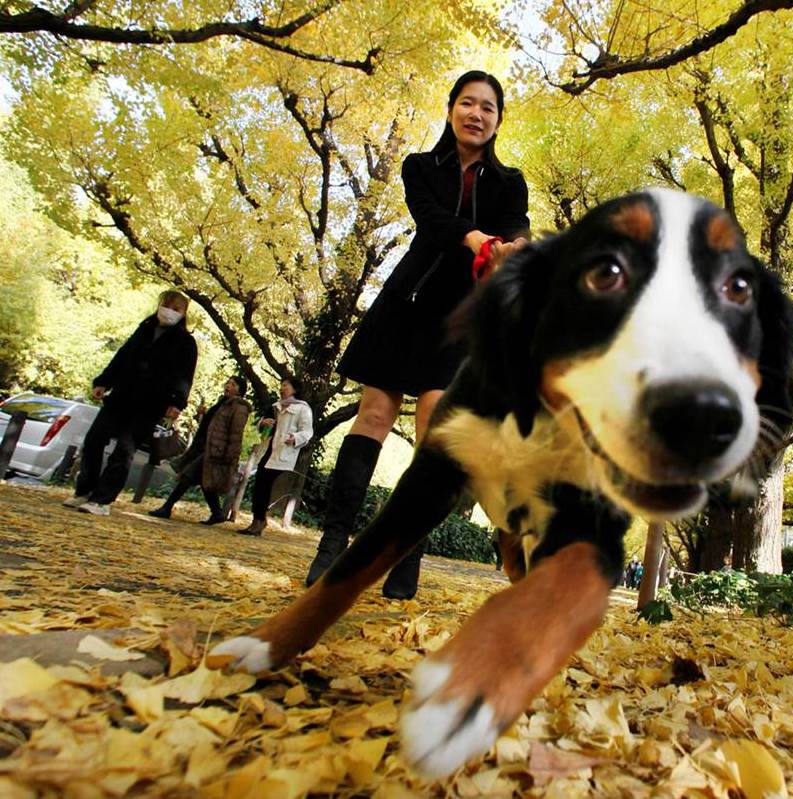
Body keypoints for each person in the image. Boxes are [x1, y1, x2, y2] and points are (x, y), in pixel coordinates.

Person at [304, 70, 530, 598]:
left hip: (459, 317)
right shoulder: (420, 166)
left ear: (498, 121)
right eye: (467, 103)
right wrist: (476, 238)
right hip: (406, 303)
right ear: (451, 109)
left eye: (488, 108)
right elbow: (430, 221)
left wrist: (515, 247)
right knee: (375, 415)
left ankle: (404, 558)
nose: (476, 114)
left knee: (433, 429)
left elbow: (517, 222)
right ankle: (332, 546)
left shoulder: (508, 180)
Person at [65, 290, 197, 516]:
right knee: (94, 440)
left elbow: (185, 375)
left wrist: (176, 402)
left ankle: (102, 500)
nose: (169, 312)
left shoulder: (186, 342)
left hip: (150, 404)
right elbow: (122, 356)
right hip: (120, 396)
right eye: (167, 305)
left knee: (124, 451)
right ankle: (84, 490)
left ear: (183, 313)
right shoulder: (144, 329)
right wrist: (104, 381)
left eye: (176, 309)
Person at [149, 376, 251, 524]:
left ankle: (167, 507)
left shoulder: (239, 408)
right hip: (205, 449)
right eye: (227, 382)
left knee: (187, 477)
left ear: (240, 390)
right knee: (205, 482)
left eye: (233, 384)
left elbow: (236, 434)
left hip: (216, 451)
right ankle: (217, 513)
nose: (228, 385)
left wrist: (230, 455)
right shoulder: (222, 403)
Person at [237, 377, 313, 536]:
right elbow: (261, 426)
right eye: (281, 385)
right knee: (260, 485)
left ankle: (259, 521)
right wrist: (263, 423)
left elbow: (307, 432)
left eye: (286, 385)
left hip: (283, 452)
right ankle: (258, 520)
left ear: (294, 389)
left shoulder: (303, 409)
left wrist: (295, 438)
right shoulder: (275, 407)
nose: (282, 388)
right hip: (268, 450)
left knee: (262, 485)